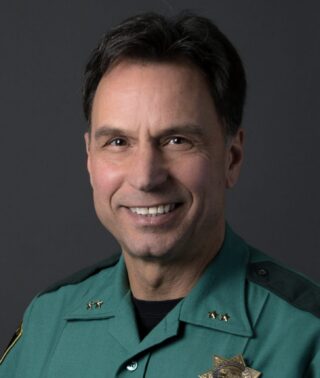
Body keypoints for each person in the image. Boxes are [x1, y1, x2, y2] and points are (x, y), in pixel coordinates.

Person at [1, 12, 319, 378]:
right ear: (90, 159)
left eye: (176, 140)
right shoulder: (48, 320)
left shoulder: (308, 337)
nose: (145, 176)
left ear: (232, 158)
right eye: (118, 142)